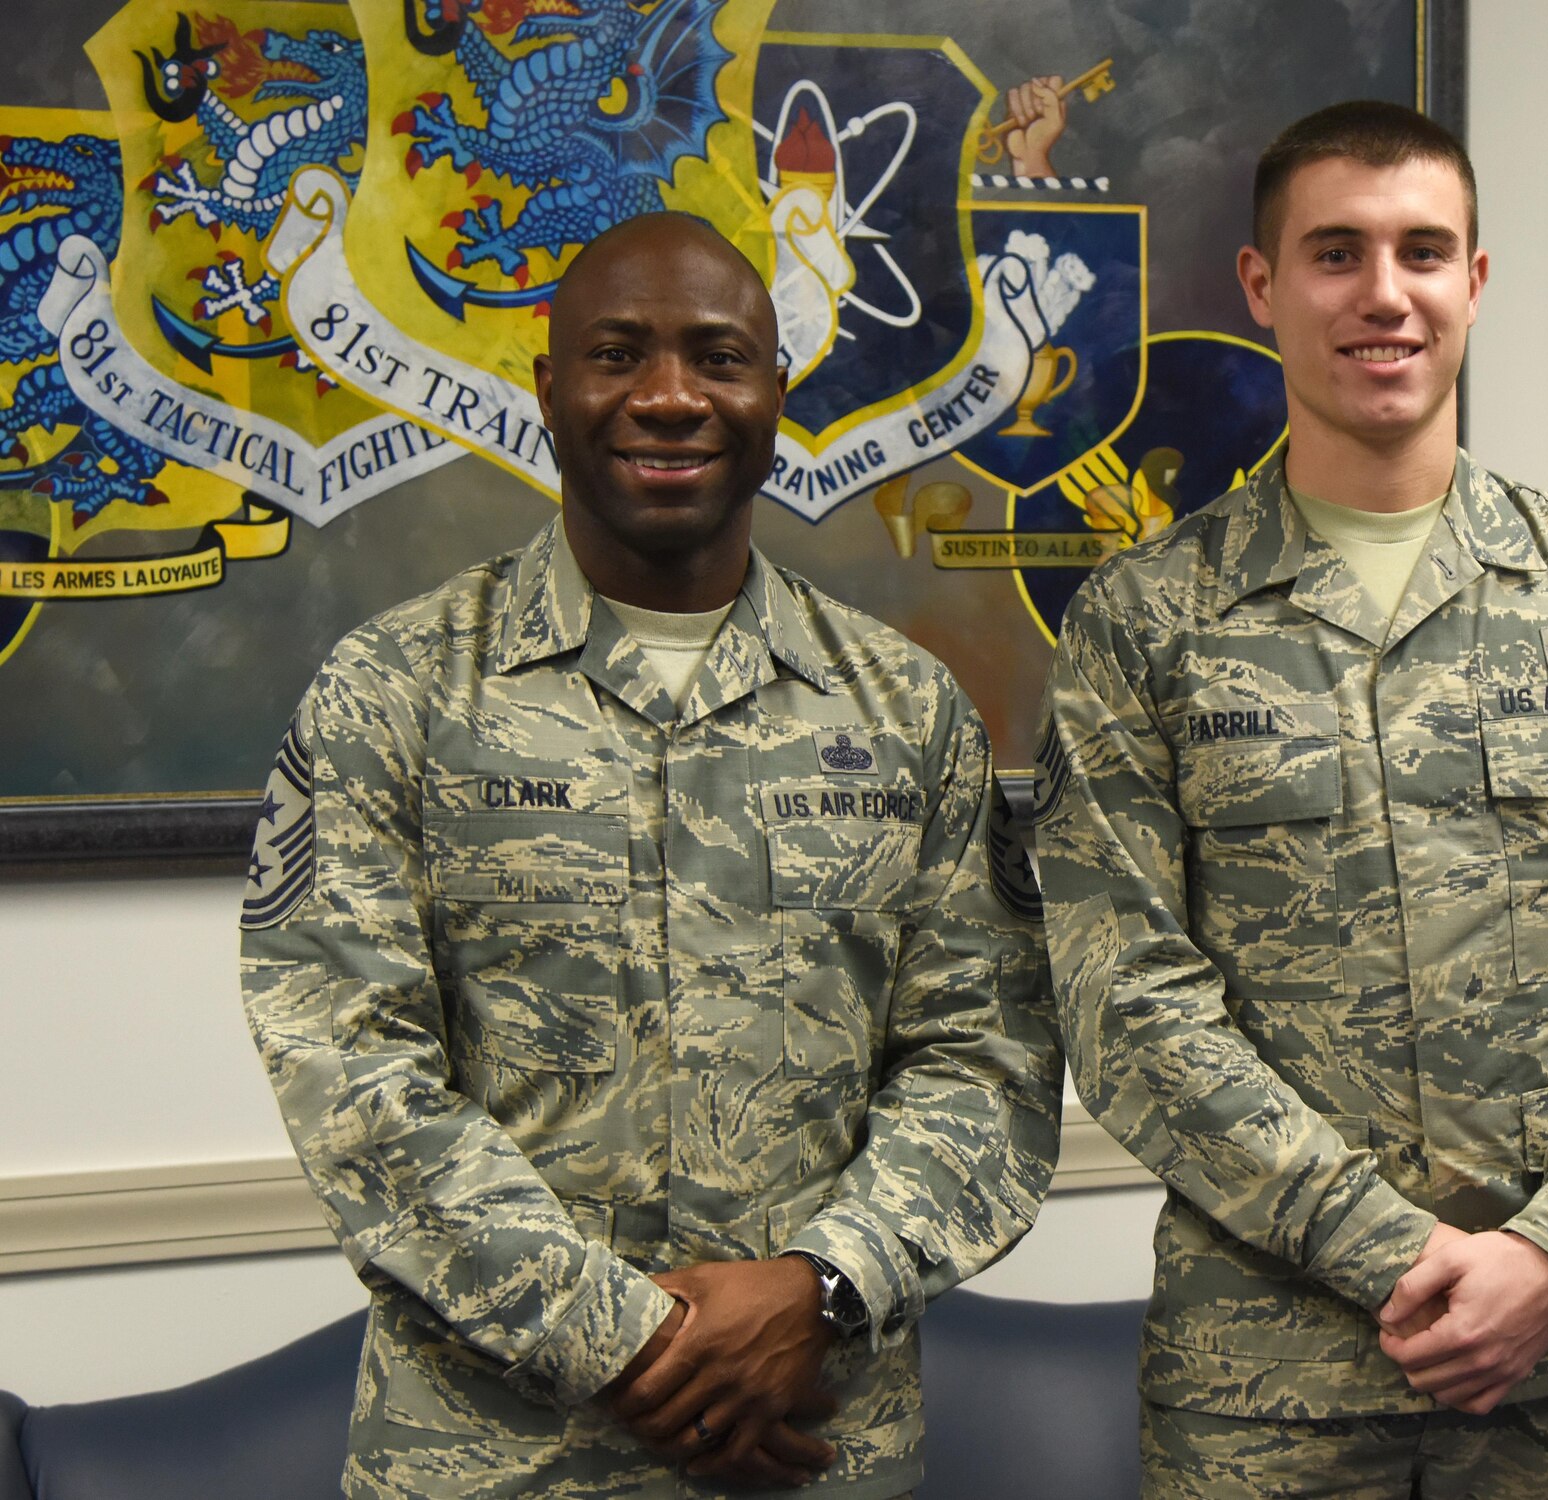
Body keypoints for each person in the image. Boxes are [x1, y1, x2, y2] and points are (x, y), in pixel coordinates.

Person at [240, 211, 1061, 1500]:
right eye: (619, 354)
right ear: (548, 390)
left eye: (718, 357)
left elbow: (988, 1058)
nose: (670, 397)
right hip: (496, 1455)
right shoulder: (393, 690)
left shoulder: (909, 711)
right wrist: (635, 1347)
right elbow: (349, 1063)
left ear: (775, 391)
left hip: (815, 1448)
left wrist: (822, 1288)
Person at [1032, 100, 1548, 1498]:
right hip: (1268, 1388)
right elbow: (1125, 998)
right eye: (1336, 254)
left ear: (1475, 280)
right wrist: (1395, 1254)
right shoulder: (1146, 622)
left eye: (1425, 252)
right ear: (1262, 286)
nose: (1386, 295)